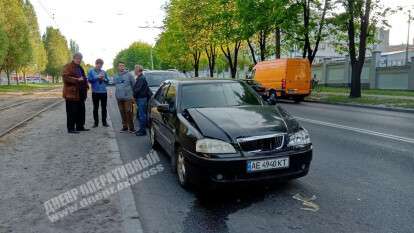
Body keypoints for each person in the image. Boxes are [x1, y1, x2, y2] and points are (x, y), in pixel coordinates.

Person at [62, 52, 90, 133]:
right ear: (73, 58)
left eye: (80, 59)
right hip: (71, 94)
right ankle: (70, 128)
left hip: (81, 93)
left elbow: (83, 77)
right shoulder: (68, 66)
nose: (79, 60)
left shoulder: (80, 67)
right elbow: (65, 78)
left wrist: (86, 84)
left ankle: (80, 126)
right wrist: (76, 80)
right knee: (71, 112)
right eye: (77, 58)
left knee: (81, 111)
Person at [114, 61, 136, 133]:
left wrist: (133, 95)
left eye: (123, 66)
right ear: (118, 67)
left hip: (128, 97)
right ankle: (125, 127)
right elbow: (116, 85)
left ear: (124, 67)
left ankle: (131, 128)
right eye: (120, 66)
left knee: (128, 112)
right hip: (119, 97)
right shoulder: (116, 75)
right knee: (122, 112)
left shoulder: (129, 75)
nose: (122, 67)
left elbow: (134, 85)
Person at [88, 59, 109, 127]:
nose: (100, 66)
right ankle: (96, 123)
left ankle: (104, 122)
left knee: (104, 108)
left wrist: (104, 79)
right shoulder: (91, 71)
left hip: (103, 92)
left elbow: (107, 81)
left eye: (101, 65)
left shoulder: (104, 72)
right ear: (96, 64)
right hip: (95, 92)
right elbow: (89, 80)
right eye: (98, 64)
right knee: (95, 108)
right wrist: (97, 77)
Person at [133, 65, 152, 136]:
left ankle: (143, 131)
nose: (134, 71)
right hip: (142, 98)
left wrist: (133, 96)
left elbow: (137, 89)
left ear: (138, 70)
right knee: (141, 114)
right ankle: (142, 129)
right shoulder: (140, 77)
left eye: (135, 69)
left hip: (142, 98)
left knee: (142, 115)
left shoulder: (141, 78)